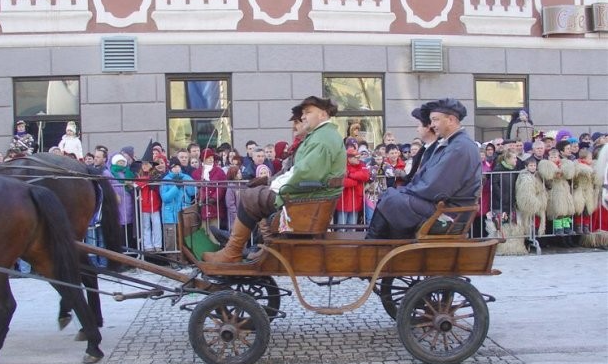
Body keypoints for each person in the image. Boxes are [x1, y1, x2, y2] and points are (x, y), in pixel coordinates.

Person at [203, 96, 346, 263]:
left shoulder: (322, 139)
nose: (304, 116)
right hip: (309, 197)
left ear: (323, 115)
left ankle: (233, 250)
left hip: (305, 199)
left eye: (308, 112)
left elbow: (306, 174)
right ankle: (262, 247)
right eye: (304, 113)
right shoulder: (321, 136)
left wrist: (276, 186)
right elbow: (303, 171)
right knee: (254, 196)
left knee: (250, 197)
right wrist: (272, 183)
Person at [366, 98, 481, 240]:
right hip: (443, 207)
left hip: (449, 213)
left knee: (391, 199)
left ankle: (372, 246)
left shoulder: (460, 147)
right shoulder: (454, 144)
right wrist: (406, 192)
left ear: (451, 120)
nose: (432, 125)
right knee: (391, 196)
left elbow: (436, 188)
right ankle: (378, 246)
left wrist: (407, 192)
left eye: (435, 120)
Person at [160, 157, 196, 254]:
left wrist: (187, 183)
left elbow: (193, 192)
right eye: (174, 167)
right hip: (170, 215)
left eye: (178, 166)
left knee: (184, 239)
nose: (177, 169)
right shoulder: (165, 180)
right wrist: (176, 186)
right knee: (171, 240)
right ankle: (172, 260)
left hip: (183, 213)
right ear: (170, 168)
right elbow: (165, 198)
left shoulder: (186, 177)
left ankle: (183, 258)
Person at [192, 148, 227, 241]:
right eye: (208, 157)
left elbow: (222, 186)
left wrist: (214, 198)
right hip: (202, 206)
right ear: (203, 159)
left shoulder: (219, 172)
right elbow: (196, 188)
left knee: (215, 230)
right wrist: (202, 195)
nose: (211, 159)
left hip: (215, 206)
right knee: (203, 230)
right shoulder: (197, 173)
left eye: (212, 157)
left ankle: (215, 249)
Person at [335, 148, 369, 229]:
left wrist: (350, 174)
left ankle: (351, 242)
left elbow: (365, 176)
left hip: (355, 201)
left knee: (352, 227)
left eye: (358, 157)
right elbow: (342, 181)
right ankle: (341, 242)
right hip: (343, 202)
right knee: (341, 227)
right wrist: (356, 181)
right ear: (349, 158)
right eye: (356, 157)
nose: (358, 159)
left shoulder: (362, 165)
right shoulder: (341, 166)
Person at [135, 153, 162, 252]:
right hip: (144, 205)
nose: (144, 166)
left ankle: (158, 245)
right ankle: (148, 245)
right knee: (146, 226)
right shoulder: (139, 177)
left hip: (155, 204)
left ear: (151, 165)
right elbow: (136, 186)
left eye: (146, 164)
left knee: (156, 225)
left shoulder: (157, 175)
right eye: (143, 164)